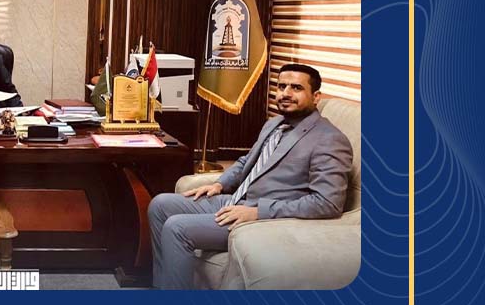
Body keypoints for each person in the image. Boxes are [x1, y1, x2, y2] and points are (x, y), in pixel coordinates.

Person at [147, 63, 352, 289]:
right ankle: (163, 287)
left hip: (264, 218)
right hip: (237, 200)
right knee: (160, 205)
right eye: (281, 86)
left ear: (316, 97)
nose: (285, 93)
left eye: (296, 88)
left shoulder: (329, 139)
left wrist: (257, 212)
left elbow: (327, 203)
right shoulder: (275, 123)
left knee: (177, 228)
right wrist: (219, 184)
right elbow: (248, 160)